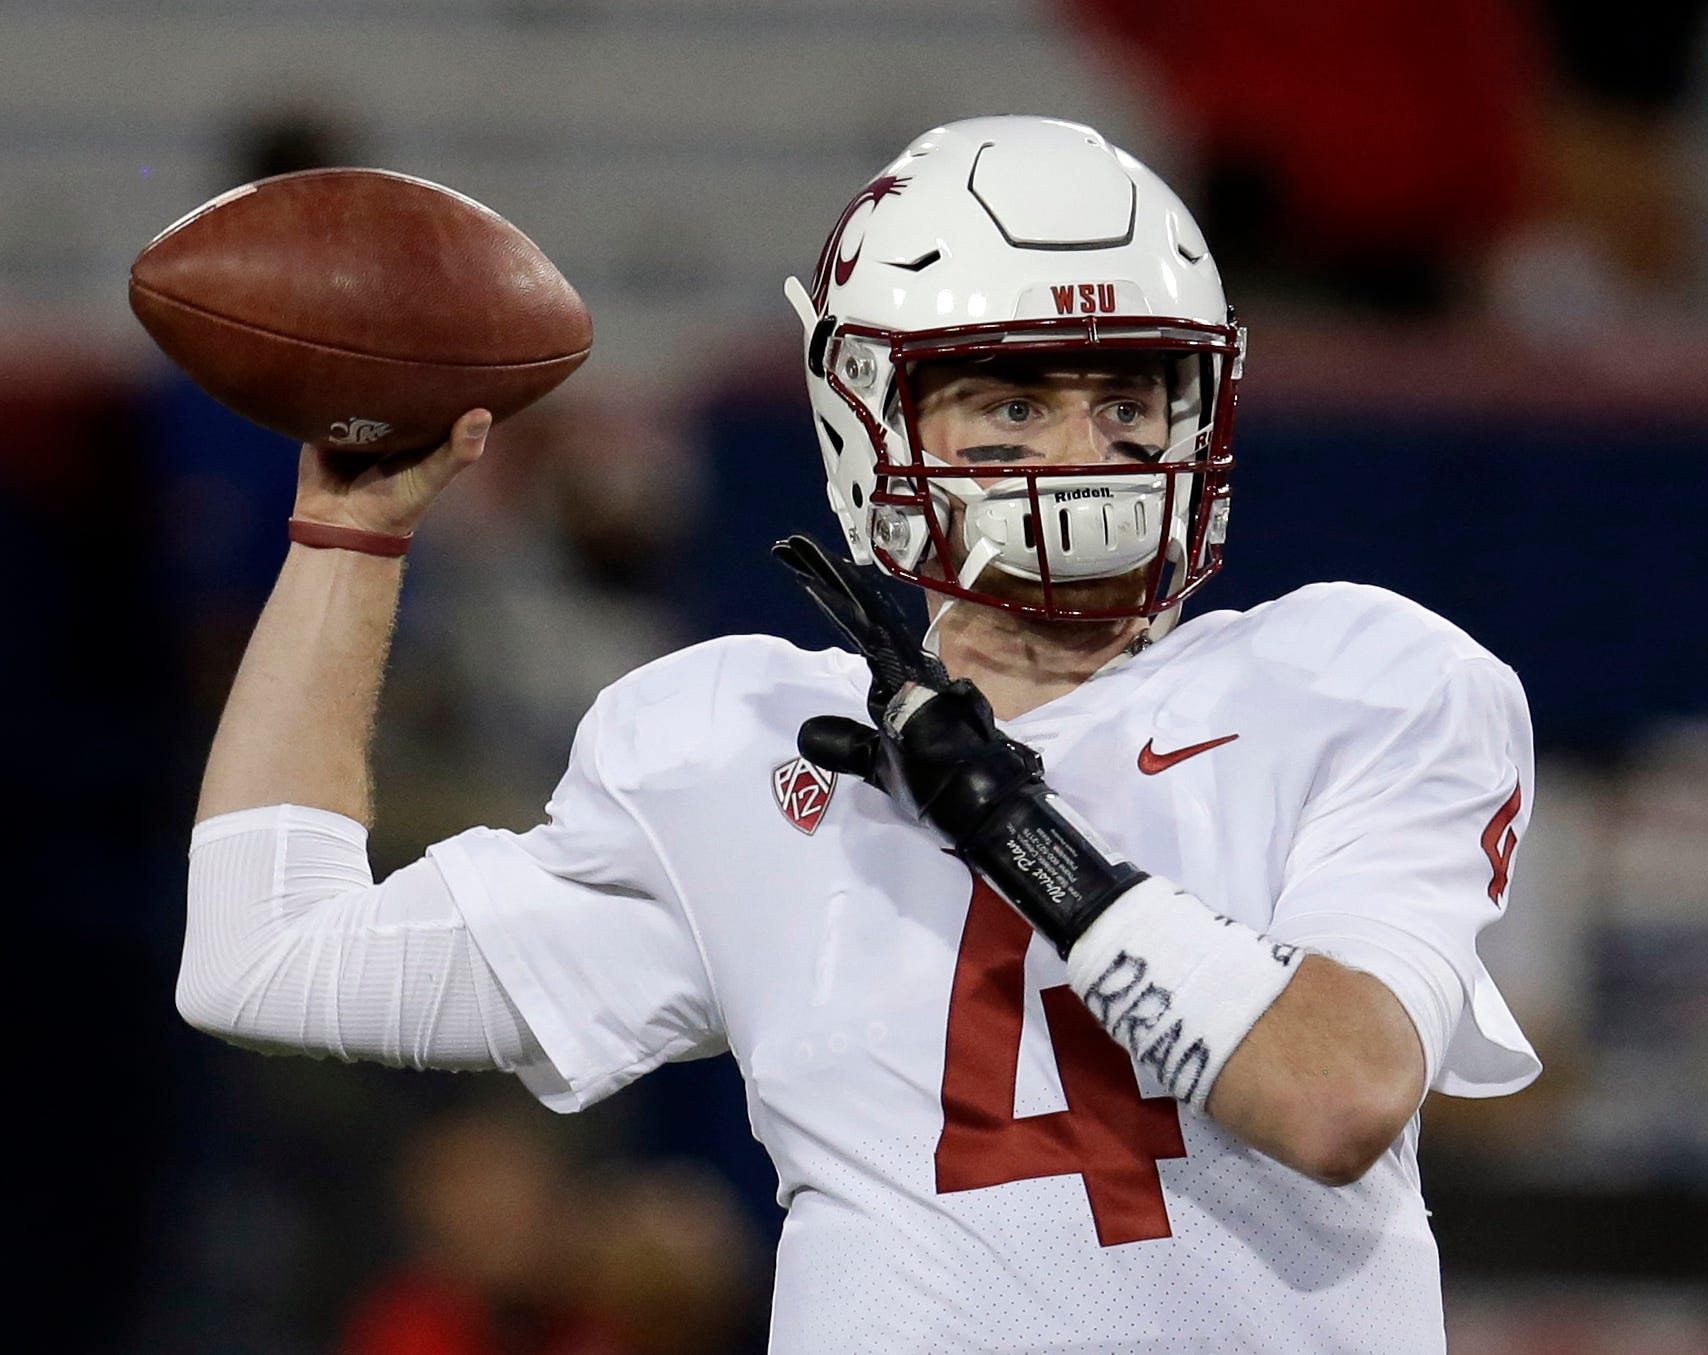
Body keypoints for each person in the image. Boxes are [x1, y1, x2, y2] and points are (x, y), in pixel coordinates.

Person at [178, 116, 1541, 1353]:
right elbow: (268, 962)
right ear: (868, 424)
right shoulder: (742, 745)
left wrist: (1005, 822)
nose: (1085, 450)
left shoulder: (1356, 678)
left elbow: (1333, 1095)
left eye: (1127, 400)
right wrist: (348, 533)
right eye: (1014, 401)